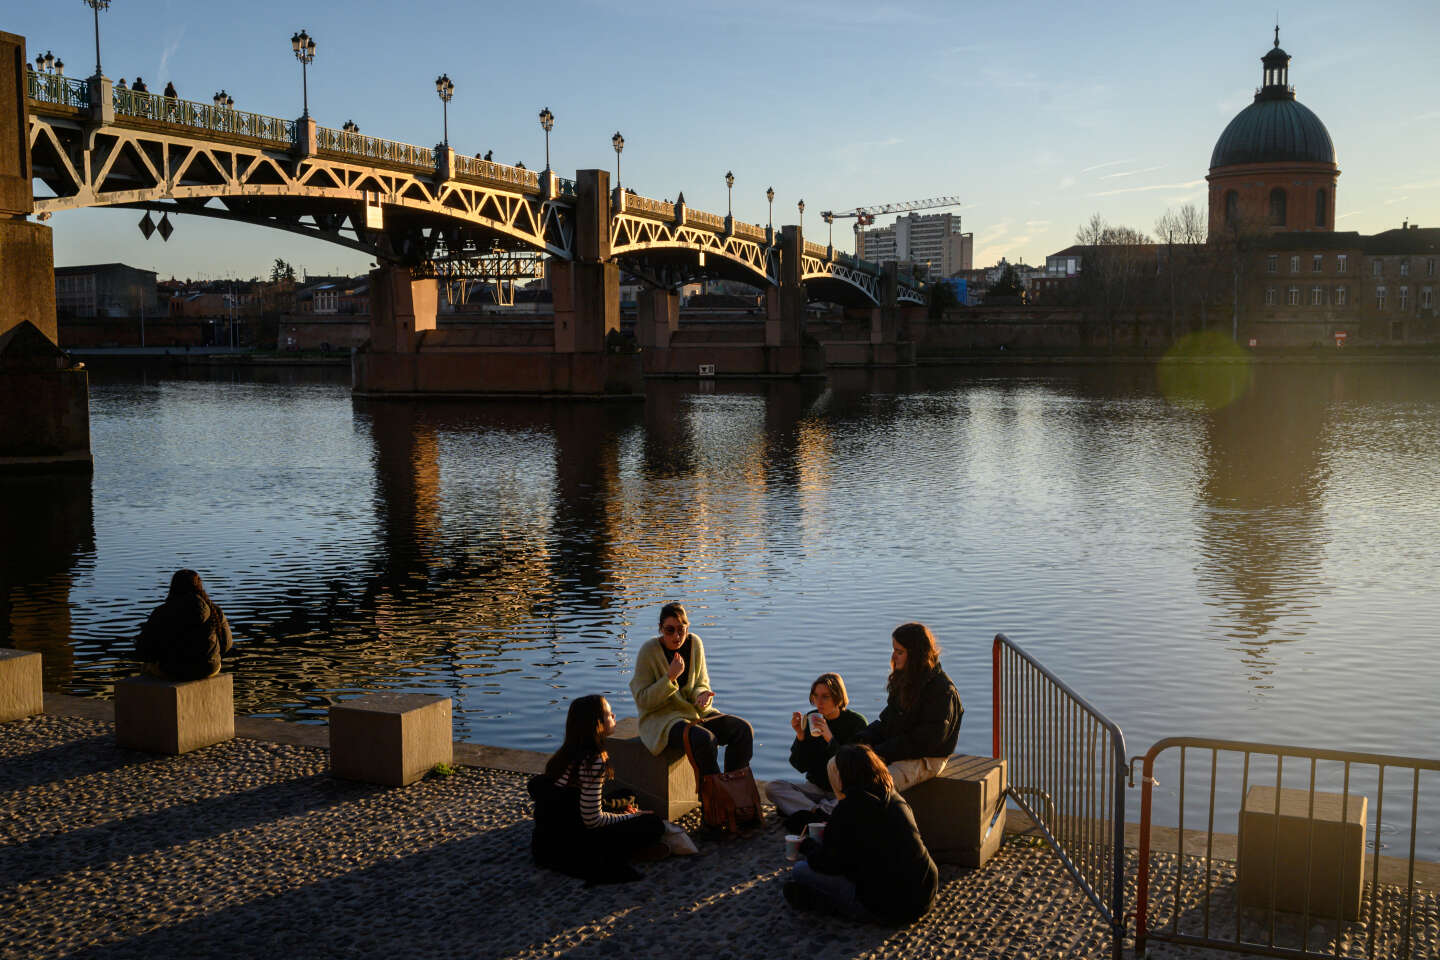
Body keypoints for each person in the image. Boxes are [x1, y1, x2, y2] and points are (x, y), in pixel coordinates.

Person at [784, 744, 939, 925]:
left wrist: (807, 847)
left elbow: (830, 864)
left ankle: (831, 904)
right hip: (925, 893)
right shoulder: (894, 797)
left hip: (889, 908)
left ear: (843, 776)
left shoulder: (850, 808)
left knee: (800, 870)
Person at [529, 695, 667, 884]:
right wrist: (635, 816)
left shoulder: (567, 752)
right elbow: (593, 820)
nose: (614, 715)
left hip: (547, 840)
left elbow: (581, 802)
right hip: (574, 841)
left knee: (627, 795)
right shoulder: (594, 760)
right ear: (597, 724)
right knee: (653, 824)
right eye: (609, 714)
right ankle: (635, 850)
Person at [629, 602, 753, 779]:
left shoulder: (695, 643)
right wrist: (669, 678)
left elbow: (701, 683)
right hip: (663, 719)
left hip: (694, 713)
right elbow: (642, 700)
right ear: (660, 629)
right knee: (704, 740)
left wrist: (702, 695)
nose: (677, 636)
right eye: (669, 630)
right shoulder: (649, 651)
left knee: (742, 729)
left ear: (688, 627)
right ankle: (714, 794)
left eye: (681, 629)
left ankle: (734, 785)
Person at [855, 622, 962, 792]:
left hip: (928, 758)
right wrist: (861, 741)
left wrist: (880, 752)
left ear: (916, 655)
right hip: (898, 749)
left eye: (899, 652)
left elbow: (925, 741)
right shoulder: (904, 680)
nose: (893, 657)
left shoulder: (942, 691)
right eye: (894, 650)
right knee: (837, 764)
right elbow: (887, 721)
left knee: (874, 783)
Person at [766, 672, 867, 818]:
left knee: (859, 799)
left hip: (842, 791)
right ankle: (817, 811)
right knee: (772, 788)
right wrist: (800, 737)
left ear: (838, 697)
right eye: (815, 696)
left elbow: (853, 768)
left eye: (825, 696)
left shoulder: (856, 723)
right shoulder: (811, 719)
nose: (819, 702)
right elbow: (799, 766)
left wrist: (829, 738)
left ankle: (807, 811)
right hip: (815, 789)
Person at [134, 569, 233, 680]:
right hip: (209, 668)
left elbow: (144, 650)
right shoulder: (214, 610)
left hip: (173, 670)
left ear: (173, 587)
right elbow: (226, 645)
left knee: (146, 668)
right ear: (199, 586)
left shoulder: (162, 612)